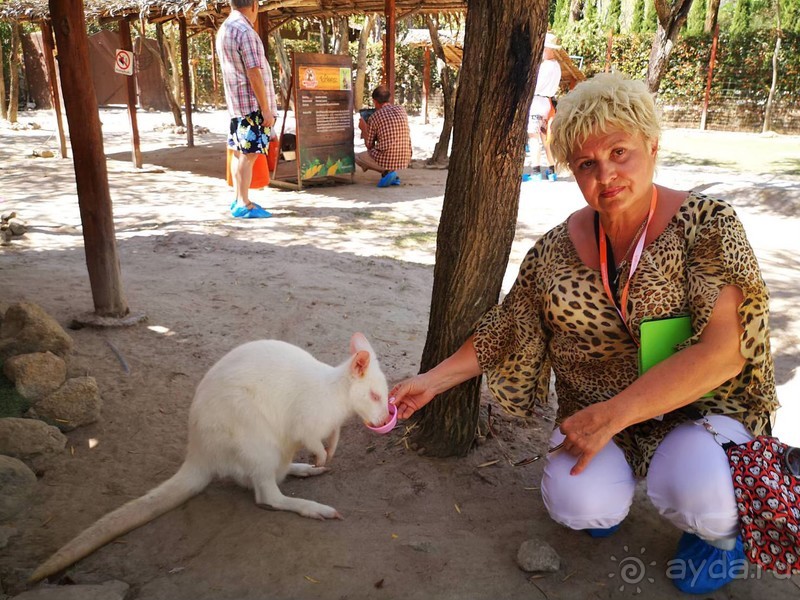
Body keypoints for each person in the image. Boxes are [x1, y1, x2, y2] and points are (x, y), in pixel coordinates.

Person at [391, 72, 777, 595]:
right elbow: (508, 327)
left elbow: (723, 354)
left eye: (620, 152)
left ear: (652, 146)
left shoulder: (707, 225)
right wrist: (432, 382)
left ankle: (719, 537)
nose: (606, 175)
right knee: (578, 502)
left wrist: (612, 415)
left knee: (701, 495)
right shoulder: (554, 249)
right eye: (586, 164)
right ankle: (611, 496)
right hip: (598, 413)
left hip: (700, 410)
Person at [216, 0, 278, 219]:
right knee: (249, 155)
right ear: (253, 4)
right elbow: (254, 72)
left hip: (237, 106)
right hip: (252, 107)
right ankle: (244, 203)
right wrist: (266, 109)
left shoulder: (225, 29)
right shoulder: (246, 31)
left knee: (238, 152)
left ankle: (238, 198)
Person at [355, 85, 412, 188]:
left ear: (375, 101)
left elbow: (369, 146)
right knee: (386, 148)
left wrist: (364, 128)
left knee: (357, 157)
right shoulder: (401, 110)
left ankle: (387, 172)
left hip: (388, 158)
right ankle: (392, 176)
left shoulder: (375, 117)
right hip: (406, 157)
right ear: (389, 98)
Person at [525, 32, 562, 182]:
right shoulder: (557, 66)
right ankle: (552, 169)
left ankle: (535, 171)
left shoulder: (543, 66)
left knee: (533, 137)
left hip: (537, 101)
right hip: (548, 102)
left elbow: (534, 85)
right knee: (546, 137)